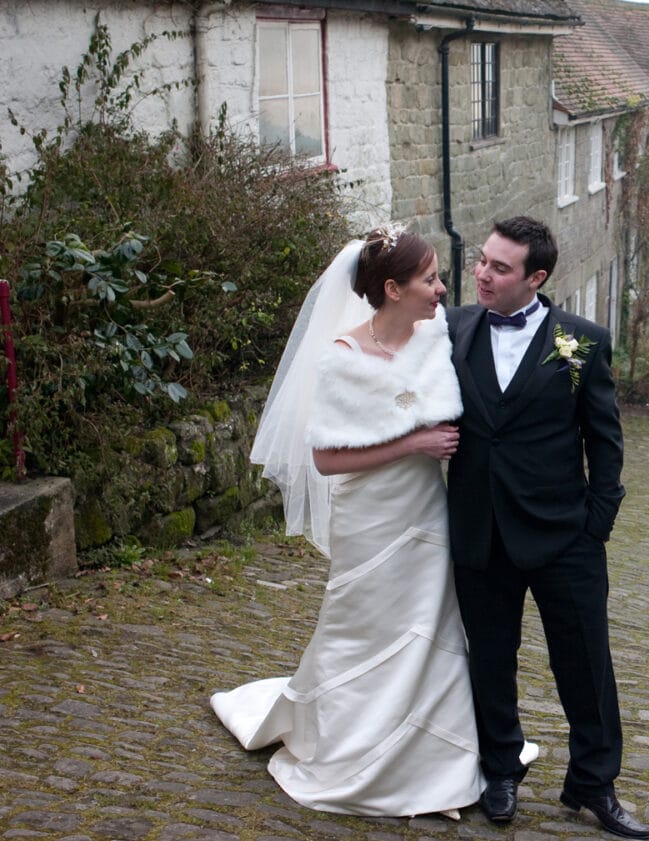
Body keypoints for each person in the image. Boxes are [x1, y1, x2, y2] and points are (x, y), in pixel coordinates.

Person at [210, 228, 488, 818]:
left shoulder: (438, 334)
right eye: (430, 279)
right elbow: (326, 459)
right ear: (393, 289)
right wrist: (413, 443)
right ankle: (351, 747)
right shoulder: (342, 357)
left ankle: (431, 755)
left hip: (426, 511)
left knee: (428, 625)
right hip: (370, 516)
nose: (443, 288)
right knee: (362, 625)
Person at [446, 216, 649, 839]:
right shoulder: (451, 327)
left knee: (586, 663)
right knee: (490, 660)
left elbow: (605, 440)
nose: (482, 274)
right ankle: (500, 770)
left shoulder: (582, 342)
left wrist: (597, 524)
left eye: (499, 267)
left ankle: (594, 781)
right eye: (482, 261)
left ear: (535, 278)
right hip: (481, 530)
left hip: (566, 535)